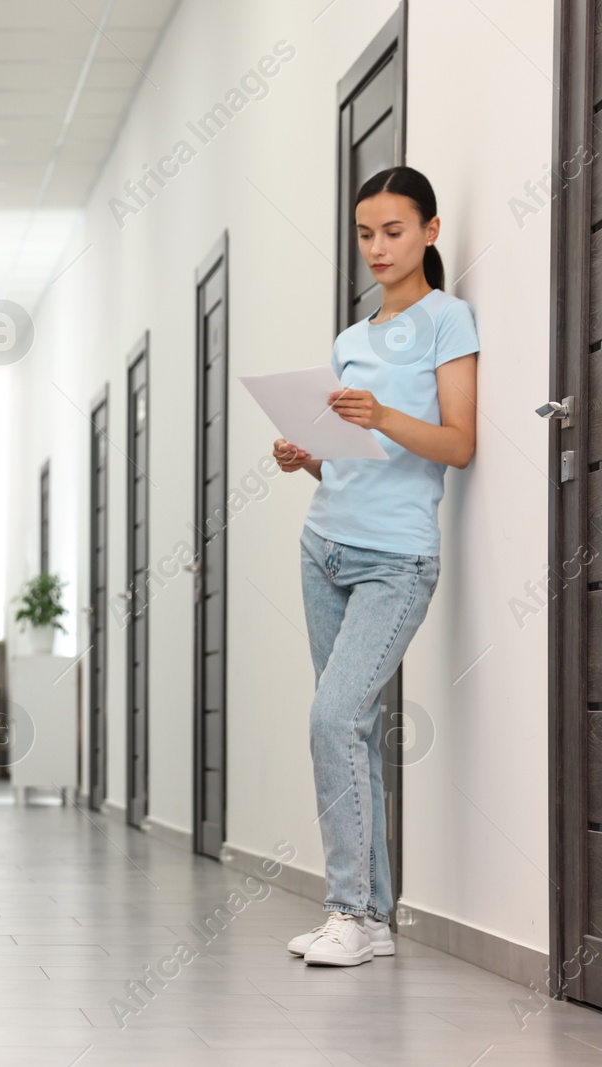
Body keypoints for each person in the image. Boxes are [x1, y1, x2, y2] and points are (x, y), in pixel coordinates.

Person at [273, 167, 478, 967]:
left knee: (331, 719)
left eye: (394, 231)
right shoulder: (351, 340)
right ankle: (374, 919)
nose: (378, 248)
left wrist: (386, 413)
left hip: (397, 557)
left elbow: (458, 444)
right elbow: (352, 460)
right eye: (365, 234)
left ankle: (348, 910)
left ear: (429, 231)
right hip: (324, 544)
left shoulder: (447, 321)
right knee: (347, 727)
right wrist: (306, 457)